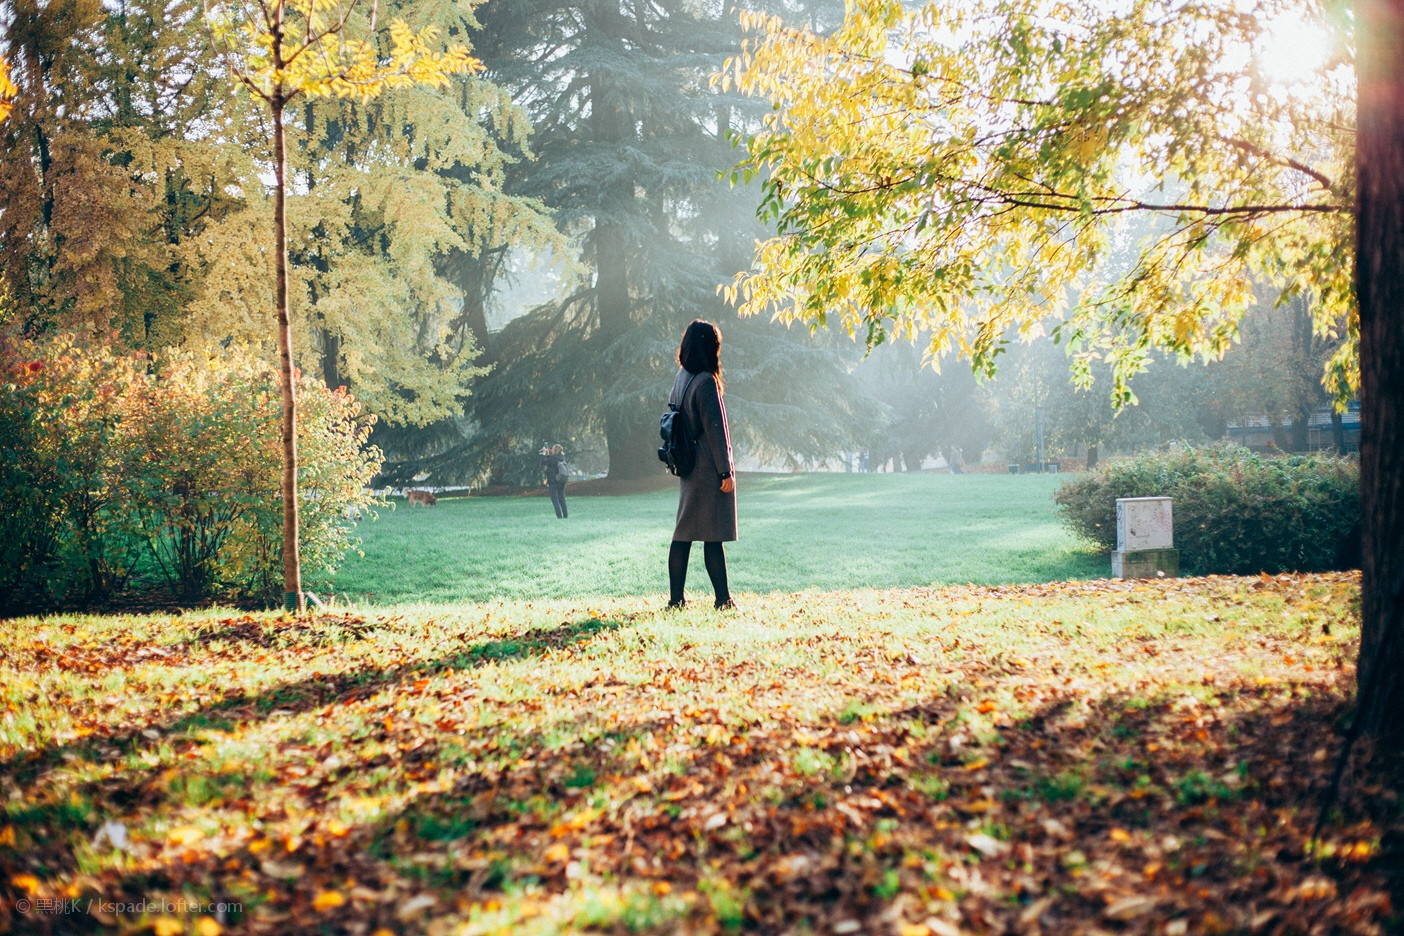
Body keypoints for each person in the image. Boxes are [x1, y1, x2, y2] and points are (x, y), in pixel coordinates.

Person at [667, 320, 737, 610]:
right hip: (708, 468)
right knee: (713, 535)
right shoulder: (706, 381)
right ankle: (722, 600)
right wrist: (726, 471)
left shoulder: (682, 377)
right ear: (710, 346)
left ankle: (676, 600)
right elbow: (715, 429)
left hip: (688, 466)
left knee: (684, 534)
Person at [540, 443, 568, 518]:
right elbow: (551, 463)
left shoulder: (553, 459)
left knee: (555, 499)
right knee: (562, 498)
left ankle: (559, 516)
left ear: (554, 450)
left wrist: (543, 453)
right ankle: (565, 516)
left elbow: (543, 462)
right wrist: (548, 455)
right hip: (561, 481)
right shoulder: (562, 458)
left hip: (553, 481)